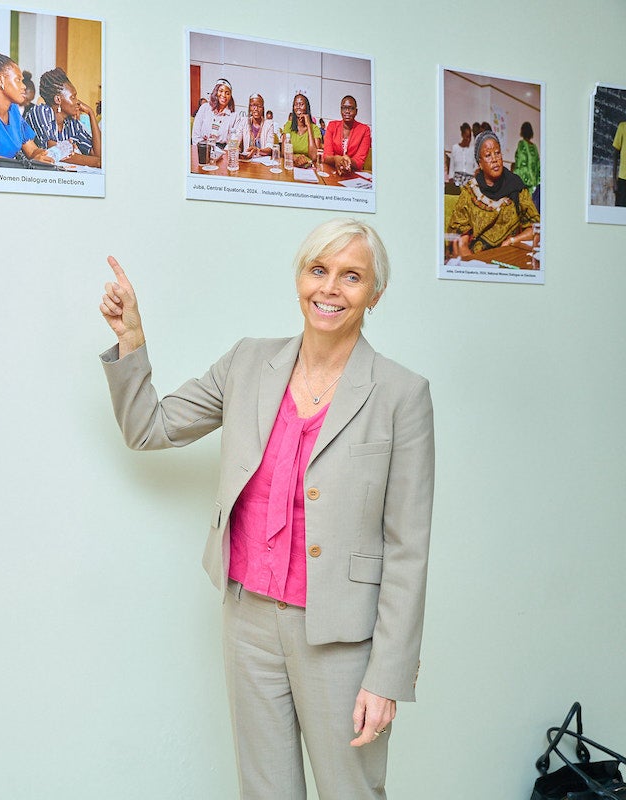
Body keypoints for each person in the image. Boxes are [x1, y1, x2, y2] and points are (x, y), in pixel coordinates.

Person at [98, 218, 434, 800]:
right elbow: (149, 428)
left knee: (351, 792)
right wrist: (132, 338)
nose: (330, 289)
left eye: (351, 276)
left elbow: (408, 548)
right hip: (248, 620)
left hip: (342, 637)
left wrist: (388, 678)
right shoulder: (248, 364)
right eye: (318, 270)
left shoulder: (403, 394)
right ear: (300, 278)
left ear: (375, 293)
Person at [447, 130, 540, 258]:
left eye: (497, 153)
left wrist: (512, 241)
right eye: (488, 155)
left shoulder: (516, 186)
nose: (495, 159)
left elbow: (535, 228)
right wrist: (477, 268)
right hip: (478, 258)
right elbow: (459, 242)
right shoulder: (470, 192)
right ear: (480, 163)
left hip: (510, 254)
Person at [24, 66, 101, 168]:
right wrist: (97, 163)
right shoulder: (41, 111)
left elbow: (97, 153)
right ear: (58, 100)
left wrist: (91, 113)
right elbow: (54, 151)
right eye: (73, 97)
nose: (77, 102)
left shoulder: (72, 124)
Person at [323, 95, 371, 174]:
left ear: (356, 111)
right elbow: (326, 157)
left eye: (351, 108)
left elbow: (359, 162)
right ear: (341, 110)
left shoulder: (365, 130)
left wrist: (348, 161)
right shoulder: (332, 126)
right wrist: (336, 159)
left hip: (352, 173)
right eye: (344, 108)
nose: (347, 111)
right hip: (333, 171)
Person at [191, 78, 242, 146]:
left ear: (230, 97)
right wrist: (203, 148)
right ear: (215, 92)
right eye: (221, 91)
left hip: (223, 151)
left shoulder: (235, 116)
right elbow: (195, 135)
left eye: (227, 93)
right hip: (202, 148)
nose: (223, 95)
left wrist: (225, 152)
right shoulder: (204, 108)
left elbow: (234, 140)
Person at [280, 92, 321, 168]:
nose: (298, 107)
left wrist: (309, 125)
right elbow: (283, 152)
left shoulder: (315, 128)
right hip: (290, 164)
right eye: (296, 104)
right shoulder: (289, 125)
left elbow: (314, 156)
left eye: (301, 104)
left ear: (307, 107)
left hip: (308, 166)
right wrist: (296, 159)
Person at [512, 121, 541, 209]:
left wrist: (514, 177)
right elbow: (538, 166)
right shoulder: (535, 147)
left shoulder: (522, 144)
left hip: (525, 184)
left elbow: (521, 163)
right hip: (535, 186)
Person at [240, 93, 275, 157]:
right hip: (247, 160)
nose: (256, 109)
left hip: (262, 162)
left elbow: (270, 148)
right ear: (249, 107)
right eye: (253, 105)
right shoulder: (243, 122)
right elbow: (237, 140)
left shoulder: (269, 124)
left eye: (259, 106)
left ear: (263, 108)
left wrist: (258, 151)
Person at [614, 119, 626, 207]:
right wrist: (614, 181)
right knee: (620, 212)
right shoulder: (622, 127)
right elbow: (615, 155)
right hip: (623, 179)